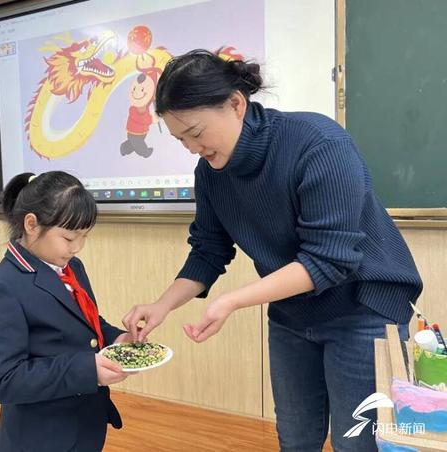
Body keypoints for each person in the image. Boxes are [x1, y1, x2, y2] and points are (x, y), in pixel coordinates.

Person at [122, 49, 423, 452]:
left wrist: (231, 302)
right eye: (180, 139)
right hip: (293, 314)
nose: (192, 148)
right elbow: (209, 250)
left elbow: (329, 259)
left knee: (359, 443)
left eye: (196, 132)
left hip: (362, 309)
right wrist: (162, 306)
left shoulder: (318, 143)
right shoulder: (210, 174)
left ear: (235, 104)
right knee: (295, 438)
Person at [0, 171, 134, 452]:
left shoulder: (73, 268)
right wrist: (88, 370)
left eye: (84, 236)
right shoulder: (0, 287)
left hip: (83, 424)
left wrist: (117, 340)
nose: (78, 247)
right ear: (32, 224)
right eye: (69, 238)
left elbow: (86, 324)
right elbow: (2, 381)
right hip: (41, 438)